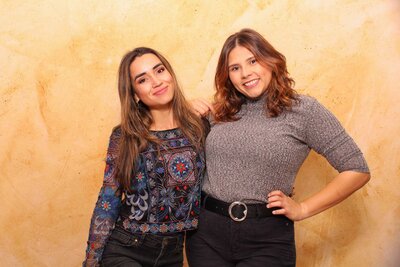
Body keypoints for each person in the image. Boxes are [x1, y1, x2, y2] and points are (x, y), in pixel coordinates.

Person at [186, 28, 370, 267]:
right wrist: (183, 111)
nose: (245, 73)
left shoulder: (304, 110)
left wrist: (303, 209)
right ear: (227, 75)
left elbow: (357, 169)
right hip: (206, 236)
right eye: (235, 68)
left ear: (270, 61)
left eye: (253, 61)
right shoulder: (219, 112)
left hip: (267, 240)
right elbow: (161, 146)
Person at [83, 47, 207, 267]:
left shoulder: (199, 126)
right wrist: (91, 261)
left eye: (159, 71)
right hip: (126, 247)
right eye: (143, 80)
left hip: (174, 254)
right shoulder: (125, 136)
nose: (156, 81)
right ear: (134, 93)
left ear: (170, 73)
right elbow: (108, 199)